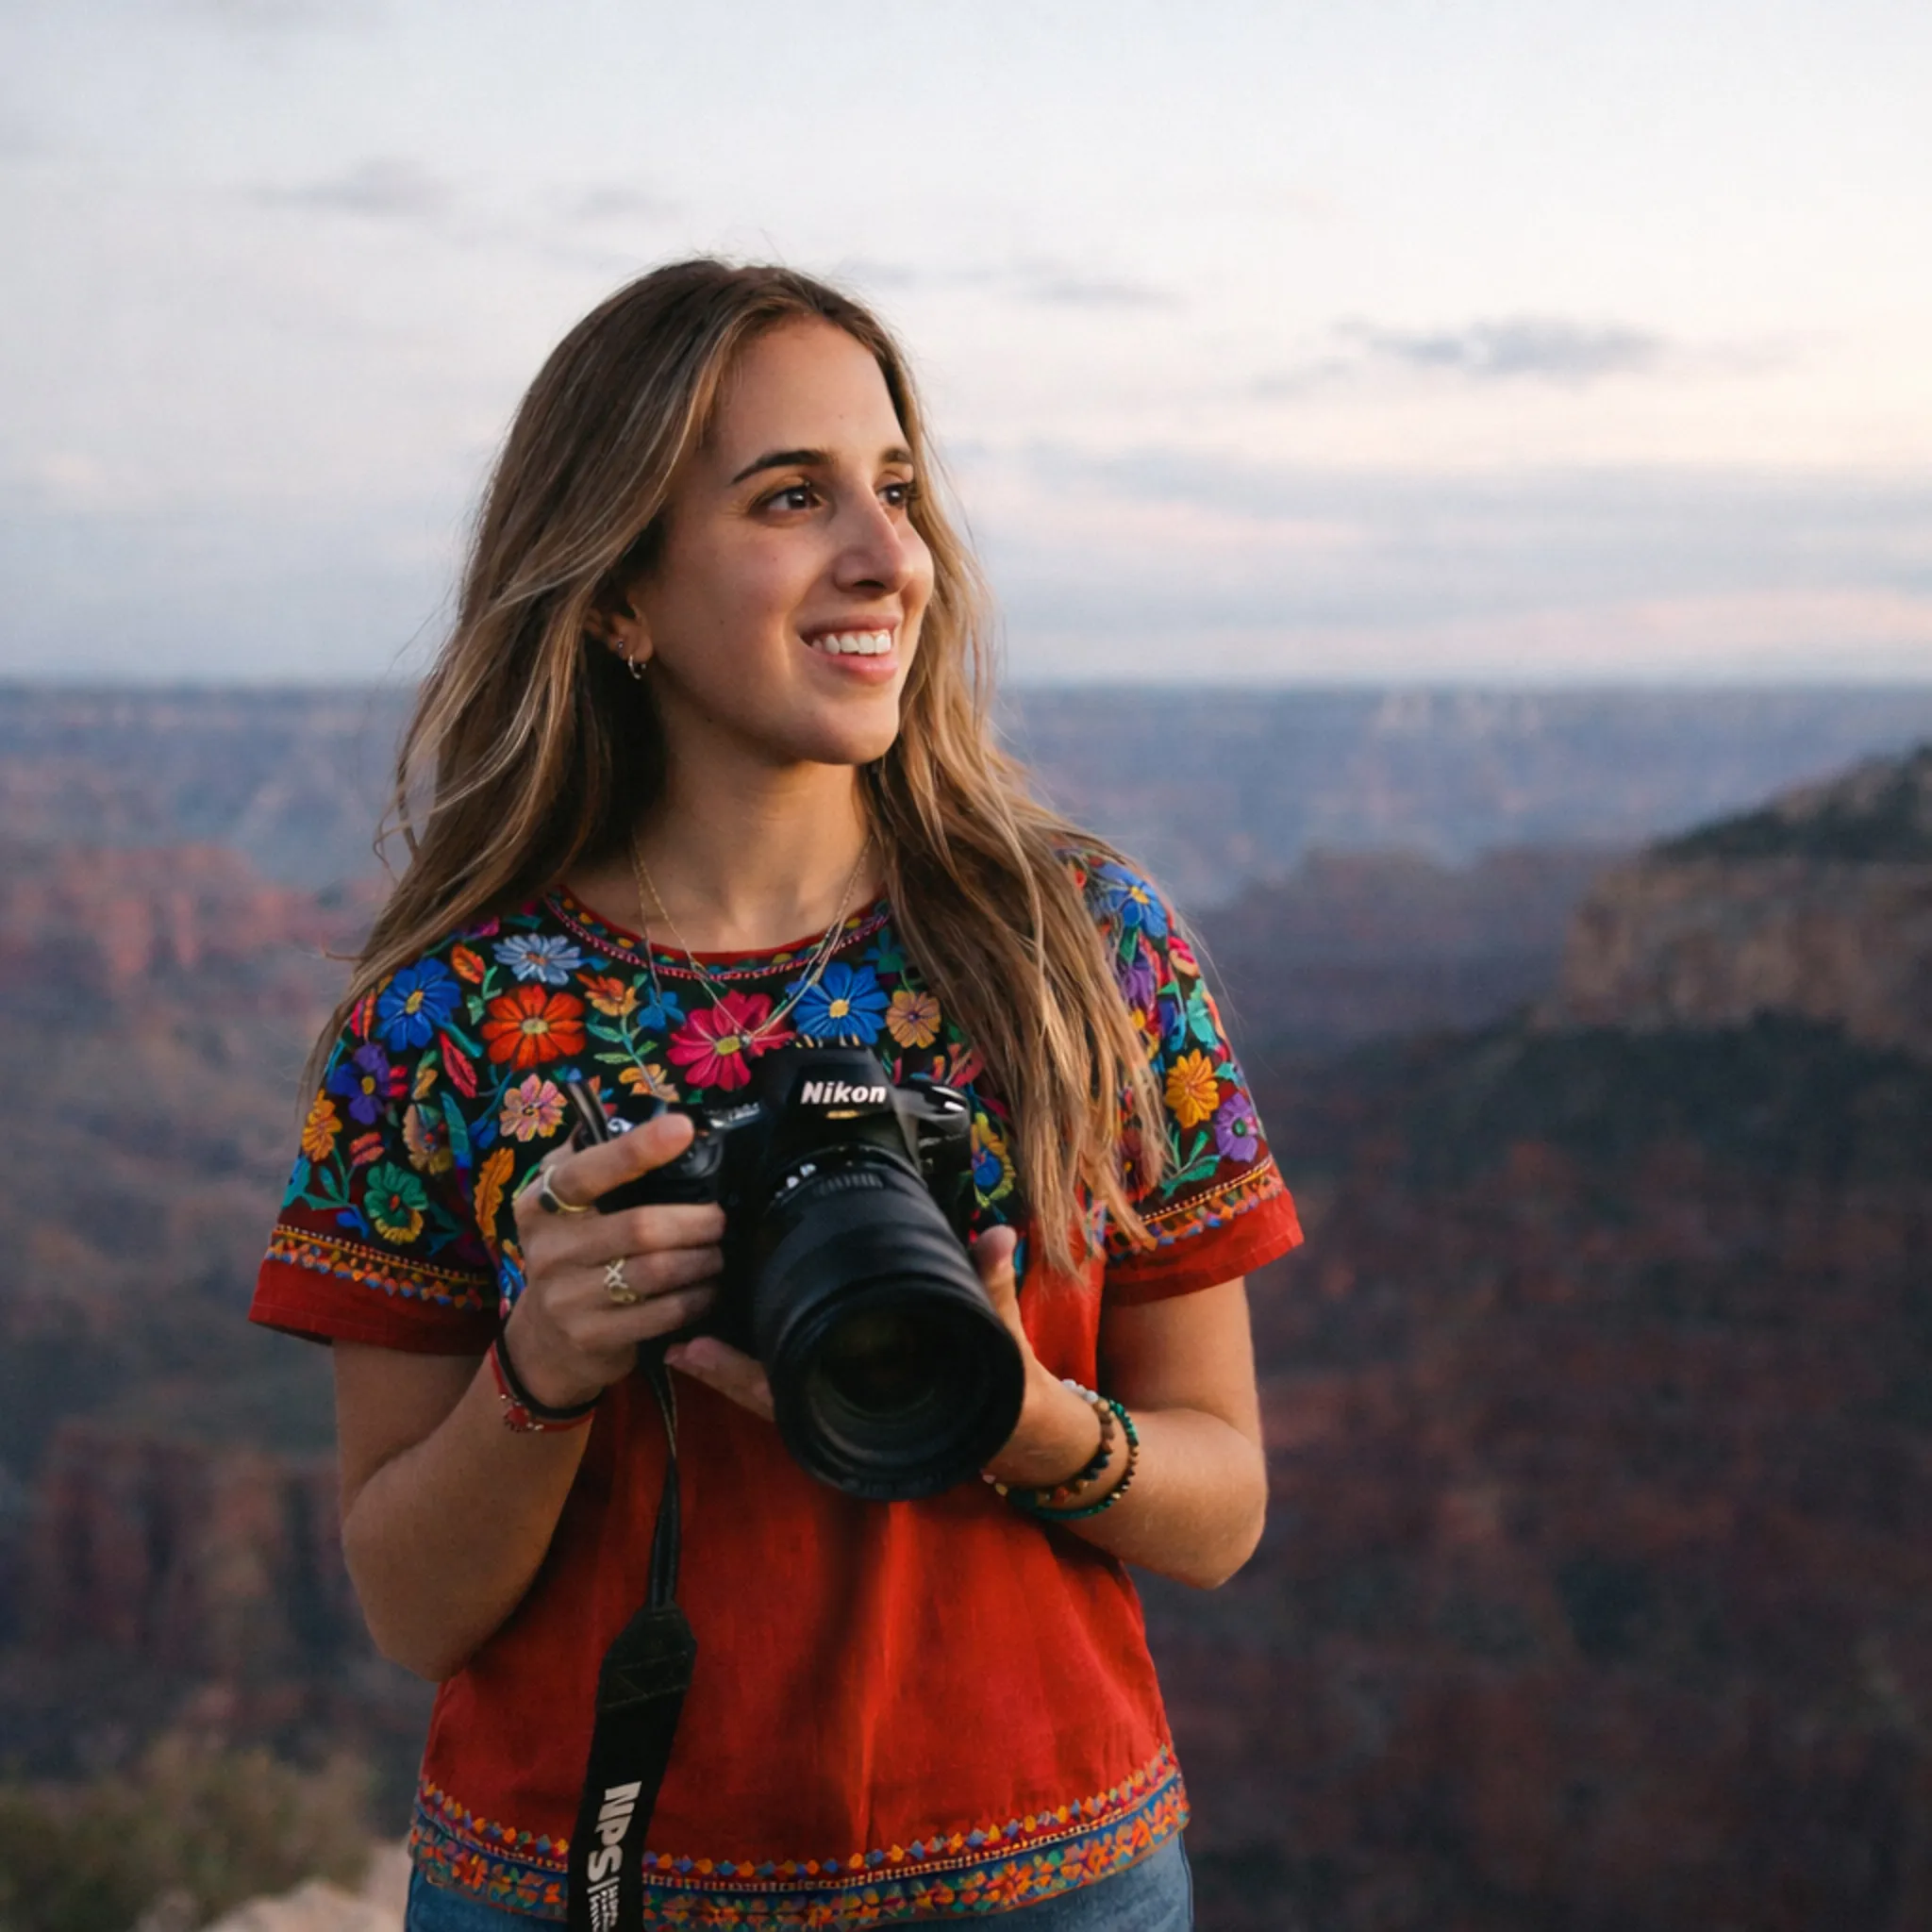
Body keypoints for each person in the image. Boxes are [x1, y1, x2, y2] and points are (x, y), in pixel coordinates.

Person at [251, 259, 1303, 1931]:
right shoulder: (446, 1022)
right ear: (617, 596)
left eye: (896, 491)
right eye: (791, 498)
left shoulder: (1085, 953)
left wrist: (1010, 1410)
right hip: (584, 1888)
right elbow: (411, 1608)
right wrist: (546, 1364)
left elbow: (1223, 1510)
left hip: (1048, 1889)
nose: (889, 555)